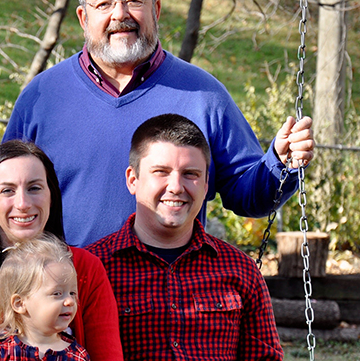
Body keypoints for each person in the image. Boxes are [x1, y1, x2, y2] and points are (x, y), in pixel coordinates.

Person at [3, 0, 315, 247]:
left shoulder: (203, 96)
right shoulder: (42, 97)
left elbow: (247, 195)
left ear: (156, 9)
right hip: (67, 295)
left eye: (133, 1)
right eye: (104, 4)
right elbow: (5, 197)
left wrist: (280, 162)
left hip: (169, 294)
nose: (120, 15)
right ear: (83, 18)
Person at [87, 114, 283, 360]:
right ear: (132, 180)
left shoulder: (240, 270)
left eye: (190, 174)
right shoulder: (95, 268)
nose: (176, 186)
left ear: (205, 184)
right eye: (161, 172)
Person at [0, 140, 123, 361]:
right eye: (7, 190)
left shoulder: (86, 269)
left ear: (52, 196)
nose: (22, 203)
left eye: (34, 188)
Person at [0, 233, 91, 361]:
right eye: (57, 294)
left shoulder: (77, 355)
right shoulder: (1, 351)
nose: (70, 301)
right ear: (19, 303)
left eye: (72, 293)